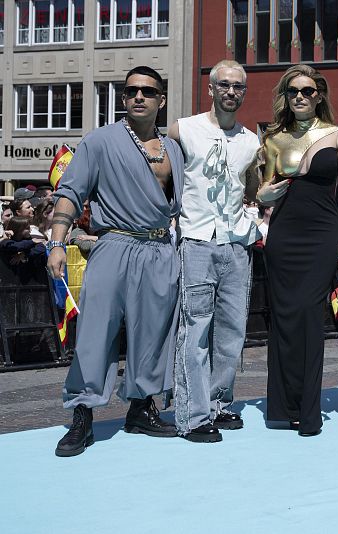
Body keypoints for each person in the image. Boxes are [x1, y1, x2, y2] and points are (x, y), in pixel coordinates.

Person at [46, 65, 184, 457]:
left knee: (154, 334)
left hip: (160, 250)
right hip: (115, 244)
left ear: (161, 100)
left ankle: (141, 409)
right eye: (131, 91)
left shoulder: (173, 149)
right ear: (124, 98)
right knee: (95, 333)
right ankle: (82, 414)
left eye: (147, 91)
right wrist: (56, 243)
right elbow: (70, 192)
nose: (138, 96)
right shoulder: (100, 141)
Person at [256, 64, 338, 437]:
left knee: (311, 319)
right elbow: (263, 191)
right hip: (284, 235)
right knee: (283, 319)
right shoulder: (273, 138)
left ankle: (308, 411)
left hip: (322, 234)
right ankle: (283, 408)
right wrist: (263, 194)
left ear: (319, 95)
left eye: (308, 91)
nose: (300, 96)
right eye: (293, 91)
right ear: (286, 96)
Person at [167, 60, 261, 443]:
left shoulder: (251, 141)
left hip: (236, 243)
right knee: (195, 328)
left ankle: (219, 403)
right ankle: (192, 416)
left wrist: (260, 203)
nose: (231, 91)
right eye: (224, 84)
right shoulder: (183, 129)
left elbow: (251, 189)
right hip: (197, 240)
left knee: (232, 332)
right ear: (210, 88)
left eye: (238, 86)